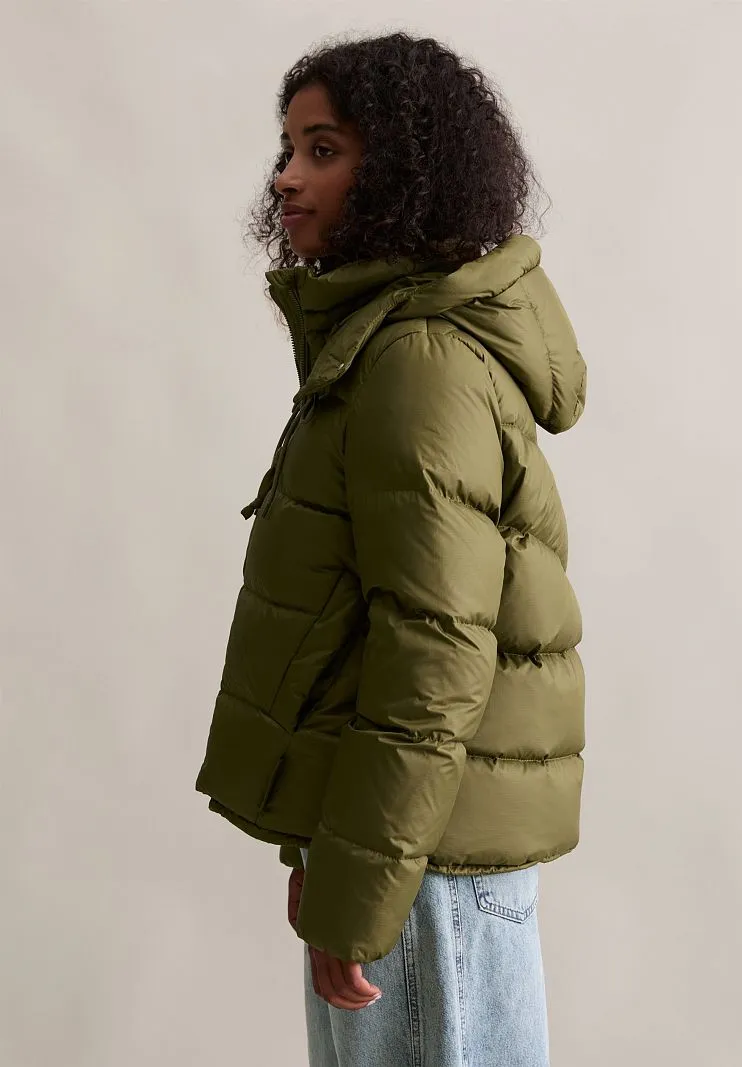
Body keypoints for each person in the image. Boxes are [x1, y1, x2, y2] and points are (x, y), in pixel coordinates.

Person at [195, 29, 587, 1067]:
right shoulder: (389, 341)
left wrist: (362, 883)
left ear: (402, 172)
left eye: (322, 149)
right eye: (287, 148)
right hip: (411, 852)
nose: (285, 176)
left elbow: (433, 652)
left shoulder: (416, 360)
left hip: (424, 869)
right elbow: (361, 633)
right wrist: (326, 850)